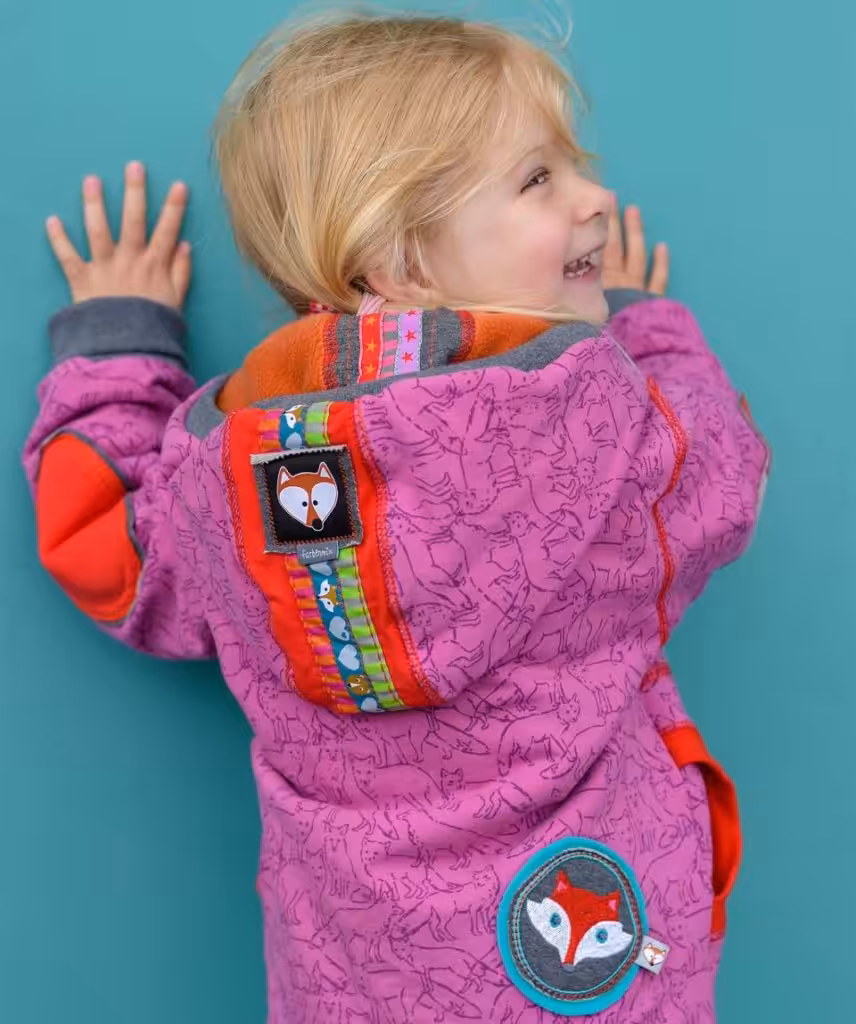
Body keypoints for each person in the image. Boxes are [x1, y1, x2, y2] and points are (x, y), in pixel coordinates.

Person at [25, 13, 770, 1022]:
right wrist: (652, 327)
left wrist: (119, 345)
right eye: (539, 179)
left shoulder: (220, 474)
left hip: (356, 985)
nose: (595, 197)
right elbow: (725, 467)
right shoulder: (614, 428)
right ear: (400, 259)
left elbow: (113, 559)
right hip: (592, 968)